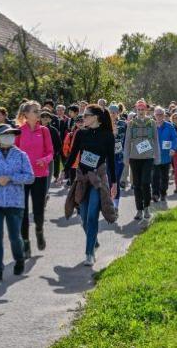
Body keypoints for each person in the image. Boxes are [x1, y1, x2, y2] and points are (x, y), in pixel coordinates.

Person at [0, 124, 35, 282]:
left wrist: (11, 178)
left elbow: (30, 177)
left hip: (15, 202)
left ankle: (19, 259)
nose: (9, 137)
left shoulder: (21, 155)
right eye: (5, 134)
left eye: (11, 134)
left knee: (14, 236)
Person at [63, 104, 117, 267]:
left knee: (93, 216)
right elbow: (73, 155)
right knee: (85, 218)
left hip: (98, 180)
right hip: (82, 179)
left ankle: (89, 254)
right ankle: (94, 241)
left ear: (96, 117)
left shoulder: (108, 136)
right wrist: (63, 172)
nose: (83, 118)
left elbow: (111, 161)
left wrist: (114, 183)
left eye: (86, 115)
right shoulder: (81, 133)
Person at [15, 100, 54, 259]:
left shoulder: (44, 131)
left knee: (38, 211)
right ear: (26, 115)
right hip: (23, 177)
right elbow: (14, 153)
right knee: (22, 212)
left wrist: (44, 160)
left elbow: (51, 153)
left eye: (38, 111)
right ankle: (25, 243)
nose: (39, 113)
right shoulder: (18, 131)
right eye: (35, 111)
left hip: (40, 176)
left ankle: (39, 230)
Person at [123, 99, 160, 220]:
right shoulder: (131, 123)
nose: (140, 111)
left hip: (148, 157)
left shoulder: (152, 123)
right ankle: (139, 210)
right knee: (136, 185)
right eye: (138, 110)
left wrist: (157, 157)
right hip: (134, 157)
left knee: (145, 183)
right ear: (136, 110)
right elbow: (127, 141)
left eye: (142, 109)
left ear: (146, 110)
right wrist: (126, 158)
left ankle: (147, 208)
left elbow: (156, 140)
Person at [152, 106, 177, 202]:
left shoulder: (169, 126)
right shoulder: (151, 125)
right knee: (155, 176)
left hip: (166, 156)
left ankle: (163, 193)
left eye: (161, 114)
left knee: (164, 176)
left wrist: (173, 148)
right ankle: (155, 194)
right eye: (157, 114)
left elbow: (174, 138)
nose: (159, 116)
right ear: (154, 115)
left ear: (164, 115)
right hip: (155, 156)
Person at [108, 103, 127, 214]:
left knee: (116, 180)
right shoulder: (104, 124)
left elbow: (126, 139)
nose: (112, 114)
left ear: (118, 113)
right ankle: (111, 203)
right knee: (110, 181)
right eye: (110, 112)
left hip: (119, 156)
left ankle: (116, 206)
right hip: (108, 157)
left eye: (114, 112)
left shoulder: (123, 124)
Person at [40, 110, 63, 200]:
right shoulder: (36, 129)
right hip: (37, 159)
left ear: (50, 119)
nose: (45, 119)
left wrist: (54, 155)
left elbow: (58, 144)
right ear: (40, 118)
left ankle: (45, 195)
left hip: (49, 159)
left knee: (47, 179)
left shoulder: (54, 130)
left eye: (47, 117)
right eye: (43, 117)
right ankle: (41, 195)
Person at [62, 114, 84, 187]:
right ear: (75, 123)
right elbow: (65, 146)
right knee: (73, 184)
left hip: (84, 164)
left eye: (82, 121)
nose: (80, 123)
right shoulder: (70, 134)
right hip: (73, 163)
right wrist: (68, 156)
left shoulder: (90, 133)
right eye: (78, 121)